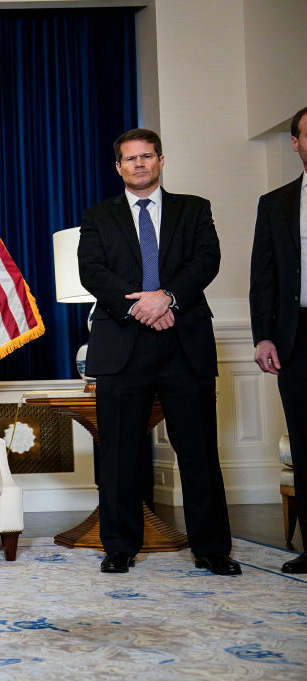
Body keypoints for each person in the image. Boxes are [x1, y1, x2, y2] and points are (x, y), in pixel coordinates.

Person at [78, 128, 239, 576]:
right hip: (122, 345)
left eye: (147, 156)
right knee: (118, 454)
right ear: (118, 167)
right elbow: (92, 271)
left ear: (161, 161)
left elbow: (206, 261)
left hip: (183, 343)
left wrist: (166, 297)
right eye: (130, 159)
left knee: (199, 452)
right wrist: (143, 307)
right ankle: (120, 546)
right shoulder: (97, 216)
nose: (139, 164)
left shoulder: (194, 209)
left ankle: (212, 549)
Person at [250, 106, 307, 574]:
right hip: (297, 337)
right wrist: (263, 336)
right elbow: (262, 277)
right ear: (295, 143)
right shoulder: (276, 203)